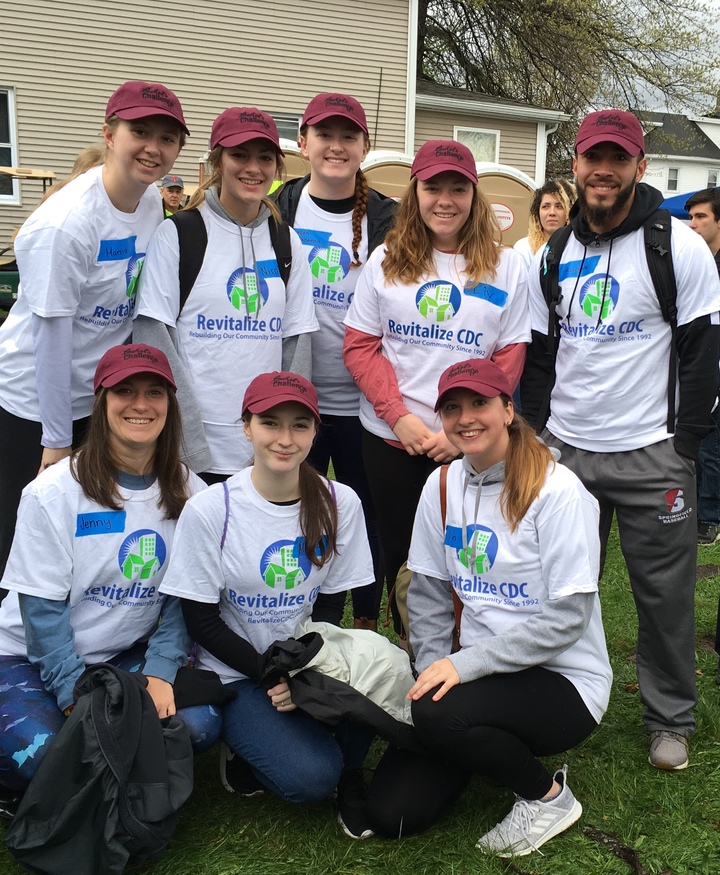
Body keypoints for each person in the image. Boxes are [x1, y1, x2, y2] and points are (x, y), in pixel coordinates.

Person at [521, 110, 720, 770]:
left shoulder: (678, 247)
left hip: (651, 452)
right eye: (591, 157)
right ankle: (554, 699)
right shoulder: (554, 251)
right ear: (574, 165)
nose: (602, 169)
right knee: (559, 586)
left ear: (638, 165)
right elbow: (541, 353)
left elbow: (701, 353)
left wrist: (683, 445)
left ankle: (670, 718)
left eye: (617, 157)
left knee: (663, 596)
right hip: (567, 454)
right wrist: (541, 434)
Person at [366, 358, 612, 856]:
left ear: (507, 409)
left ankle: (547, 798)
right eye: (452, 408)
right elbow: (430, 591)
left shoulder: (558, 491)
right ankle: (471, 738)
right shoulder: (440, 485)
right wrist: (431, 671)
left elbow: (568, 619)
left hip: (564, 680)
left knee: (439, 719)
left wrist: (459, 668)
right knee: (393, 813)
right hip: (474, 675)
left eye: (480, 403)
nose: (466, 417)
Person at [159, 371, 381, 839]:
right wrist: (271, 673)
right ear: (246, 427)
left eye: (300, 425)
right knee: (311, 777)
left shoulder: (341, 502)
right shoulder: (212, 508)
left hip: (301, 658)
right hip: (237, 672)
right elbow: (199, 619)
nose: (285, 439)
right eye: (270, 423)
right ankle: (247, 750)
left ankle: (352, 777)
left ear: (316, 432)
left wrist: (303, 671)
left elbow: (329, 602)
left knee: (378, 682)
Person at [0, 344, 219, 818]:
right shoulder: (52, 493)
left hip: (125, 654)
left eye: (154, 393)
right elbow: (41, 613)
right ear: (101, 401)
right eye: (125, 391)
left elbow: (183, 597)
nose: (140, 405)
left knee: (199, 725)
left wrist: (161, 671)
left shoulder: (192, 493)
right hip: (27, 657)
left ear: (170, 405)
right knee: (39, 757)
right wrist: (74, 697)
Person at [0, 80, 188, 594]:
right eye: (140, 131)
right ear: (109, 134)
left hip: (96, 397)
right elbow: (51, 340)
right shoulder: (65, 226)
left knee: (86, 533)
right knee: (22, 536)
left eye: (167, 138)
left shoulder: (151, 201)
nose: (153, 147)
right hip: (33, 403)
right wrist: (56, 442)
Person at [343, 139, 530, 634]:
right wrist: (398, 416)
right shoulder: (386, 259)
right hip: (393, 437)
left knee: (471, 548)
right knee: (403, 551)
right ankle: (410, 644)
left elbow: (509, 354)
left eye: (457, 188)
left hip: (472, 441)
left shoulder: (506, 264)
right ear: (415, 192)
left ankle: (469, 644)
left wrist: (466, 430)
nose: (445, 200)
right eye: (433, 187)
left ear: (474, 195)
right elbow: (361, 346)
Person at [134, 107, 318, 481]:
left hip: (265, 453)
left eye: (265, 158)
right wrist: (190, 443)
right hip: (191, 452)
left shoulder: (286, 241)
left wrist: (285, 433)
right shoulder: (180, 235)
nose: (253, 168)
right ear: (218, 160)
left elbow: (296, 343)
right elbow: (155, 340)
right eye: (239, 155)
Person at [275, 92, 397, 631]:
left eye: (349, 136)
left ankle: (367, 622)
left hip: (363, 404)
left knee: (366, 519)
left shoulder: (393, 219)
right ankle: (307, 623)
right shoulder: (276, 207)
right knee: (299, 516)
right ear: (304, 142)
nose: (336, 146)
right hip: (295, 401)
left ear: (365, 146)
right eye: (325, 135)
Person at [684, 187, 720, 544]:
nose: (692, 224)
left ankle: (708, 518)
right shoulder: (693, 262)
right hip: (695, 364)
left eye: (701, 217)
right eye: (690, 217)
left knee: (710, 448)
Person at [513, 178, 576, 272]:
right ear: (537, 212)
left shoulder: (578, 249)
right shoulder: (524, 249)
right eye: (545, 206)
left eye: (559, 206)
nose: (552, 213)